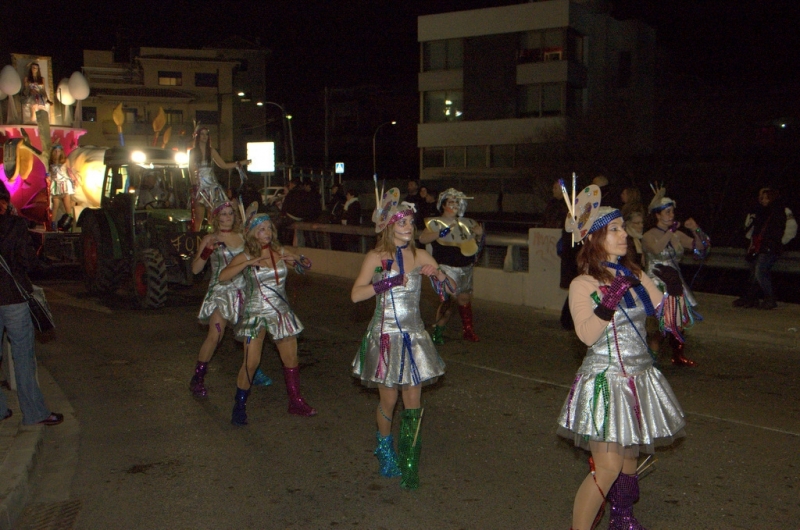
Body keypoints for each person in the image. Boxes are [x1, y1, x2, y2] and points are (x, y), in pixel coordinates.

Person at [556, 194, 686, 530]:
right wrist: (608, 301)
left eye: (622, 228)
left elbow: (668, 320)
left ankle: (623, 520)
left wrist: (674, 293)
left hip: (638, 379)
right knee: (608, 467)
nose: (623, 234)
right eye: (614, 229)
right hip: (604, 382)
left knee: (629, 460)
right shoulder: (582, 284)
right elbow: (586, 335)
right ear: (596, 239)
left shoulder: (635, 275)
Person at [351, 187, 453, 490]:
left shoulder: (420, 253)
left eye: (411, 222)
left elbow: (448, 293)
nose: (409, 228)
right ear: (388, 226)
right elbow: (356, 295)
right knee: (389, 398)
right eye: (402, 223)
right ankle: (385, 451)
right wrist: (386, 284)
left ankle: (410, 456)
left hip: (414, 335)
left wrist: (439, 277)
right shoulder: (376, 257)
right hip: (386, 336)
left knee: (413, 399)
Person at [219, 204, 315, 425]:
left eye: (269, 228)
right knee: (251, 362)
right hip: (256, 312)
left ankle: (295, 401)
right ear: (252, 233)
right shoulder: (245, 255)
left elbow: (303, 266)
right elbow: (223, 277)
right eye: (261, 229)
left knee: (291, 359)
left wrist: (299, 261)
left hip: (280, 312)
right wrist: (248, 262)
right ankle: (239, 406)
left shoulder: (279, 252)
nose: (267, 233)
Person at [188, 200, 271, 398]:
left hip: (245, 291)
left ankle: (252, 370)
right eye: (223, 214)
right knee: (215, 335)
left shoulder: (243, 236)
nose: (227, 218)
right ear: (216, 217)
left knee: (250, 335)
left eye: (230, 214)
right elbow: (195, 269)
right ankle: (198, 378)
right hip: (221, 293)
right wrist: (207, 250)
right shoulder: (210, 238)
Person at [0, 180, 63, 426]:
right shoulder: (15, 226)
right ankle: (34, 413)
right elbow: (27, 261)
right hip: (14, 299)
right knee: (23, 358)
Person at [642, 186, 709, 367]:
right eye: (667, 212)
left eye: (672, 211)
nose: (671, 215)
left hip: (674, 282)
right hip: (656, 282)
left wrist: (695, 230)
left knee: (678, 323)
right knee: (658, 325)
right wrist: (670, 233)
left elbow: (700, 247)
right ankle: (651, 358)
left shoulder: (676, 234)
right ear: (657, 215)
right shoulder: (648, 235)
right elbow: (656, 250)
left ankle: (677, 355)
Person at [419, 188, 484, 344]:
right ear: (443, 205)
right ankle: (438, 330)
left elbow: (475, 247)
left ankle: (468, 330)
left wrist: (480, 234)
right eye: (451, 202)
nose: (454, 205)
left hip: (465, 266)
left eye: (457, 202)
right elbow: (422, 239)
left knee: (464, 298)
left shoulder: (467, 223)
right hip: (446, 267)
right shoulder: (435, 222)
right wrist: (440, 233)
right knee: (448, 301)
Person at [733, 187, 797, 309]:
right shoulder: (759, 211)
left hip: (770, 247)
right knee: (754, 272)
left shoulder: (782, 210)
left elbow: (791, 228)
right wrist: (751, 243)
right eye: (761, 197)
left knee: (760, 270)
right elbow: (751, 229)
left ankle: (769, 298)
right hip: (758, 246)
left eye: (765, 197)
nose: (761, 199)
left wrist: (779, 242)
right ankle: (751, 298)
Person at [189, 126, 249, 231]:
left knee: (214, 215)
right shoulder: (193, 152)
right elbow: (190, 169)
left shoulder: (211, 151)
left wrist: (241, 163)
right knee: (198, 217)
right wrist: (194, 187)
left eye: (206, 134)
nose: (205, 136)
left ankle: (216, 239)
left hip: (212, 186)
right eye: (202, 134)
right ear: (197, 136)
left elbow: (223, 165)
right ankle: (196, 240)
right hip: (199, 186)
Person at [47, 145, 77, 230]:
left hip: (64, 185)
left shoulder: (65, 160)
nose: (57, 153)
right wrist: (48, 177)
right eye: (55, 151)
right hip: (56, 186)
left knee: (67, 207)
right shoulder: (51, 162)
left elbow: (69, 171)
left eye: (59, 151)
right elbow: (49, 173)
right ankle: (52, 224)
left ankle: (69, 225)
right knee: (55, 206)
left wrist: (74, 179)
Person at [341, 187, 362, 252]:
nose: (347, 196)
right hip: (349, 228)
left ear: (352, 195)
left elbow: (351, 216)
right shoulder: (350, 204)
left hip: (352, 228)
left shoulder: (354, 204)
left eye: (348, 194)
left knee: (352, 246)